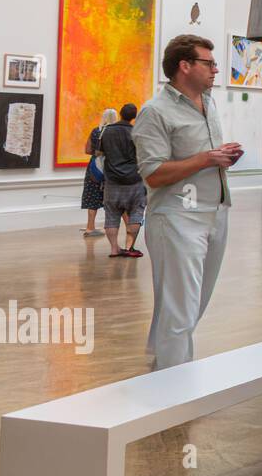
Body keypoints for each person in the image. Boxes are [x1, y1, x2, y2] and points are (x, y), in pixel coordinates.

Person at [133, 34, 241, 370]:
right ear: (185, 66)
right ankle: (172, 384)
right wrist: (207, 159)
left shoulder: (209, 104)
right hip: (177, 217)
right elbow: (153, 174)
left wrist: (222, 158)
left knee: (194, 302)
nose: (216, 70)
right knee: (180, 305)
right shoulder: (155, 112)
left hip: (215, 211)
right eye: (209, 63)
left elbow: (205, 158)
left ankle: (165, 363)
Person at [100, 102, 146, 259]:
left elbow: (98, 152)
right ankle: (129, 247)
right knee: (136, 213)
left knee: (111, 215)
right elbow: (143, 154)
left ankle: (114, 249)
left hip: (112, 180)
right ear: (134, 117)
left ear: (120, 113)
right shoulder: (136, 133)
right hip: (134, 179)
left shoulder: (107, 131)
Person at [81, 108, 118, 238]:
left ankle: (90, 227)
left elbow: (87, 149)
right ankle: (111, 227)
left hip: (94, 169)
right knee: (113, 199)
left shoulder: (96, 131)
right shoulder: (116, 132)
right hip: (112, 169)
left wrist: (98, 153)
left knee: (92, 196)